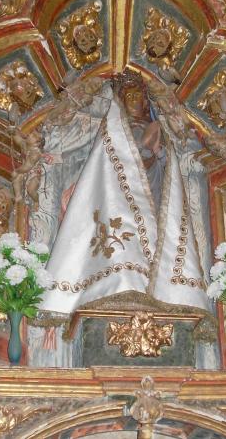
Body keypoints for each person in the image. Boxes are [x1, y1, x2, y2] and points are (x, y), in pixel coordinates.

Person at [39, 69, 209, 315]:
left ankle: (158, 287)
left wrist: (157, 151)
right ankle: (122, 282)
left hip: (153, 191)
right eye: (128, 96)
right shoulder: (114, 130)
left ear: (145, 102)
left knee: (155, 236)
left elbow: (167, 167)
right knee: (125, 243)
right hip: (120, 199)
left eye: (137, 96)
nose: (133, 101)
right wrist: (142, 149)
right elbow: (104, 170)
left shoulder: (156, 127)